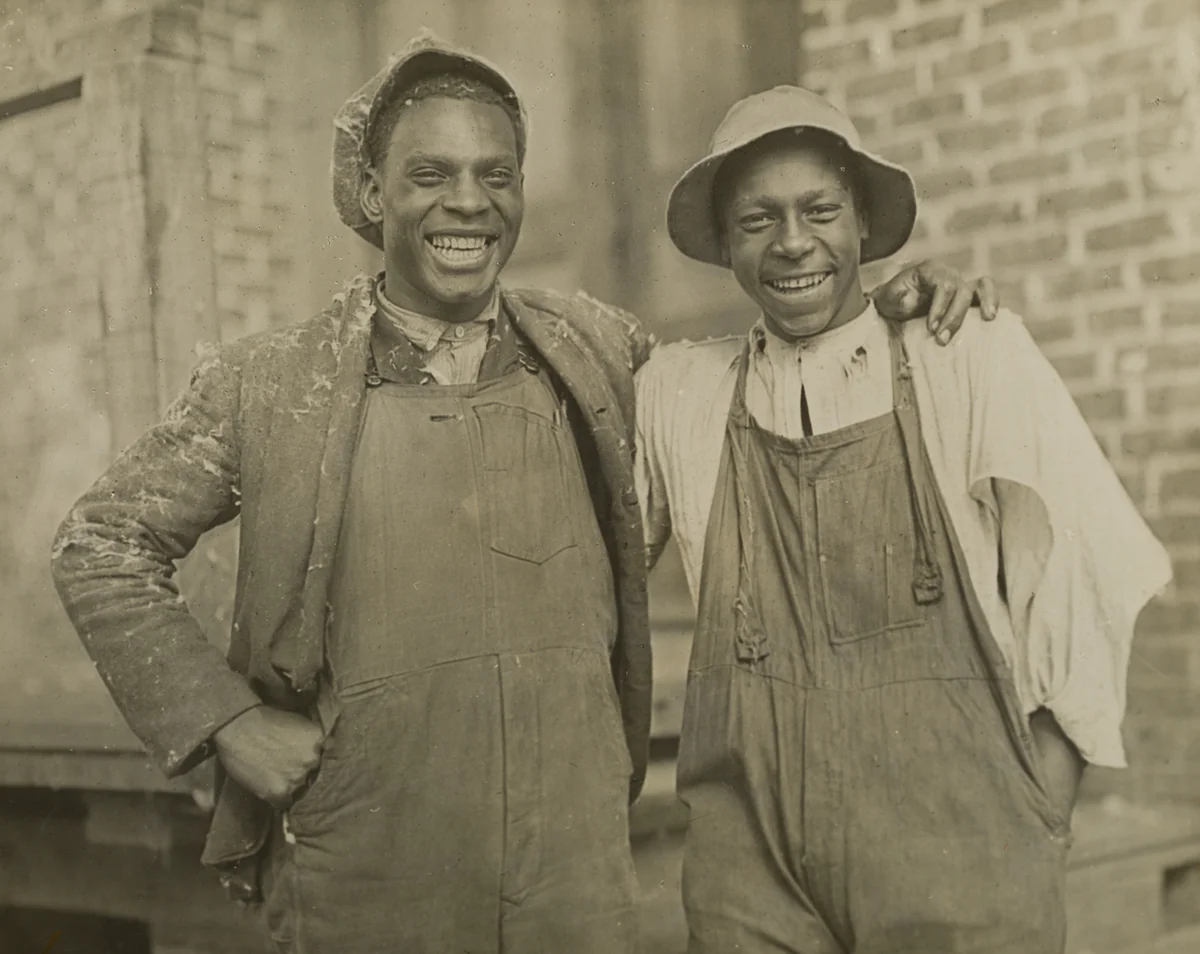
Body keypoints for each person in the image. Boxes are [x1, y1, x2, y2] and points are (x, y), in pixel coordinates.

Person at [52, 33, 992, 954]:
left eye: (496, 176)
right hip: (365, 856)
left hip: (570, 866)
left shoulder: (597, 351)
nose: (469, 202)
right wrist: (228, 722)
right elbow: (100, 545)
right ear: (373, 193)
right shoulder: (269, 385)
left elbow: (758, 372)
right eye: (431, 175)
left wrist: (882, 309)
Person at [636, 85, 1173, 953]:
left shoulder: (966, 351)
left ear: (862, 223)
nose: (794, 243)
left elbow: (1084, 576)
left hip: (960, 848)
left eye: (821, 210)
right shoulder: (677, 394)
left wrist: (1039, 816)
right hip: (755, 870)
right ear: (725, 243)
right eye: (757, 220)